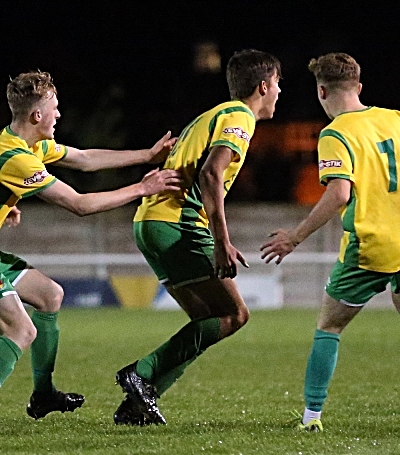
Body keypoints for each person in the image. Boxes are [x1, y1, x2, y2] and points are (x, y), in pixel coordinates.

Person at [260, 52, 400, 433]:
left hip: (372, 245)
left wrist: (294, 237)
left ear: (321, 91)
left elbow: (339, 194)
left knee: (329, 325)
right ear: (359, 88)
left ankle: (311, 419)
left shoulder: (335, 133)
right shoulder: (399, 119)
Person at [113, 49, 282, 426]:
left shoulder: (214, 114)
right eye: (278, 85)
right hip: (178, 224)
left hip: (151, 222)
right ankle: (142, 374)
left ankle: (140, 403)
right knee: (235, 314)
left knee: (205, 319)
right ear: (264, 86)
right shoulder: (240, 116)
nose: (279, 93)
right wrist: (222, 240)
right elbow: (211, 173)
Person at [0, 71, 182, 418]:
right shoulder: (16, 158)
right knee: (20, 329)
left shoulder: (28, 145)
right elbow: (79, 205)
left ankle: (43, 396)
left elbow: (83, 159)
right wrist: (142, 189)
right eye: (54, 108)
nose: (59, 115)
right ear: (36, 115)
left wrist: (147, 155)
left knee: (49, 295)